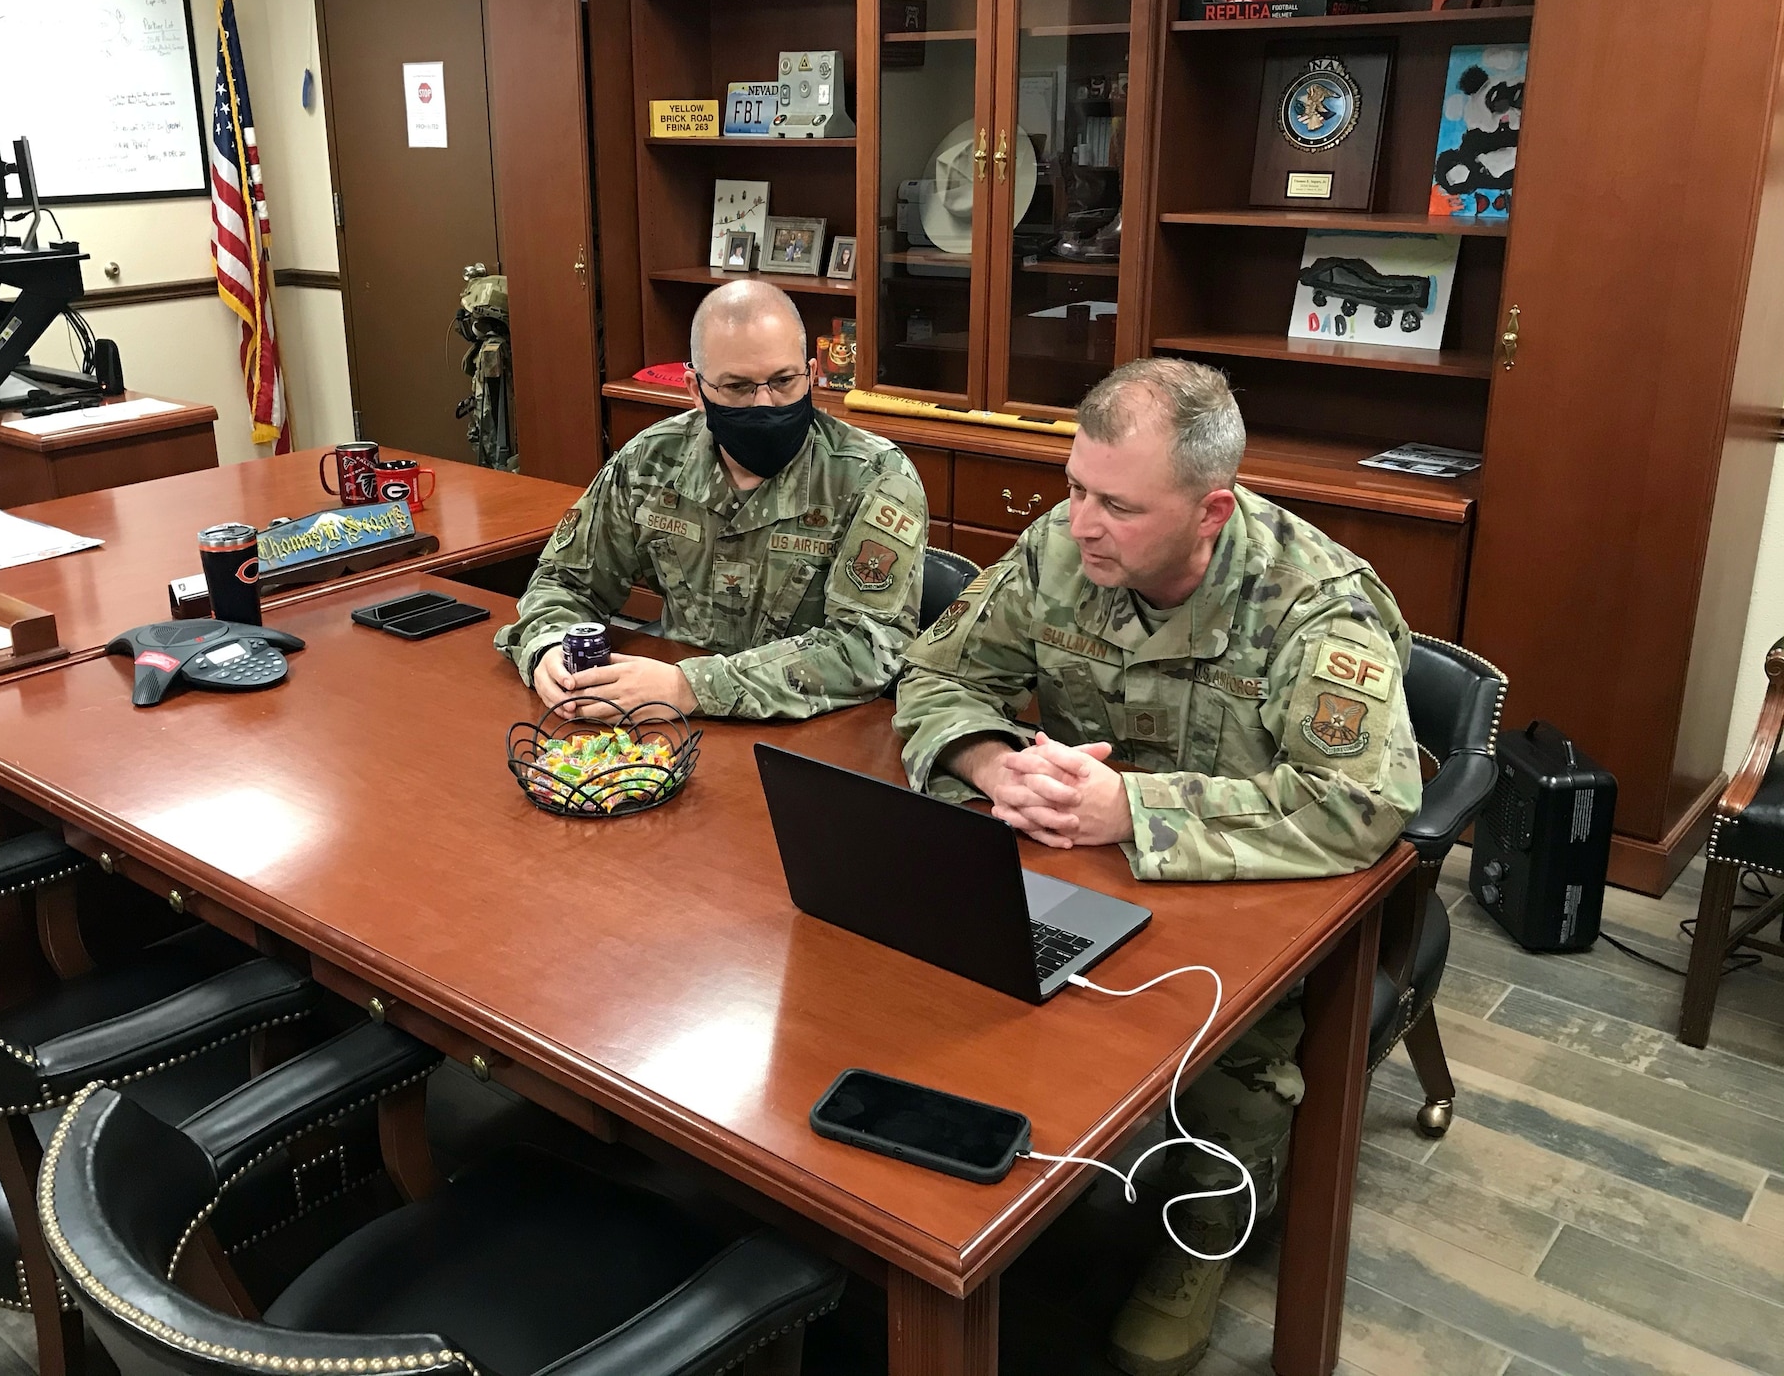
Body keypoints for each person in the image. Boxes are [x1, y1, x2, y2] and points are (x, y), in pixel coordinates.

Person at [893, 357, 1423, 1376]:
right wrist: (989, 761)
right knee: (932, 949)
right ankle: (970, 1207)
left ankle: (1204, 1225)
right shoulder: (1060, 547)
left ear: (1209, 509)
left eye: (1118, 507)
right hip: (1081, 859)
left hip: (1250, 891)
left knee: (1236, 1050)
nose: (1081, 524)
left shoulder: (1311, 605)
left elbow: (1357, 807)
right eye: (1074, 488)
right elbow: (937, 671)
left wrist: (1127, 808)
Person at [496, 280, 927, 720]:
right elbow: (565, 583)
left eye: (783, 381)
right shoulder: (651, 461)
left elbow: (867, 647)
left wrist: (691, 688)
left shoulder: (875, 476)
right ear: (695, 390)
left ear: (812, 373)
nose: (765, 403)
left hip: (811, 728)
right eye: (738, 387)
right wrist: (549, 648)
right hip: (668, 723)